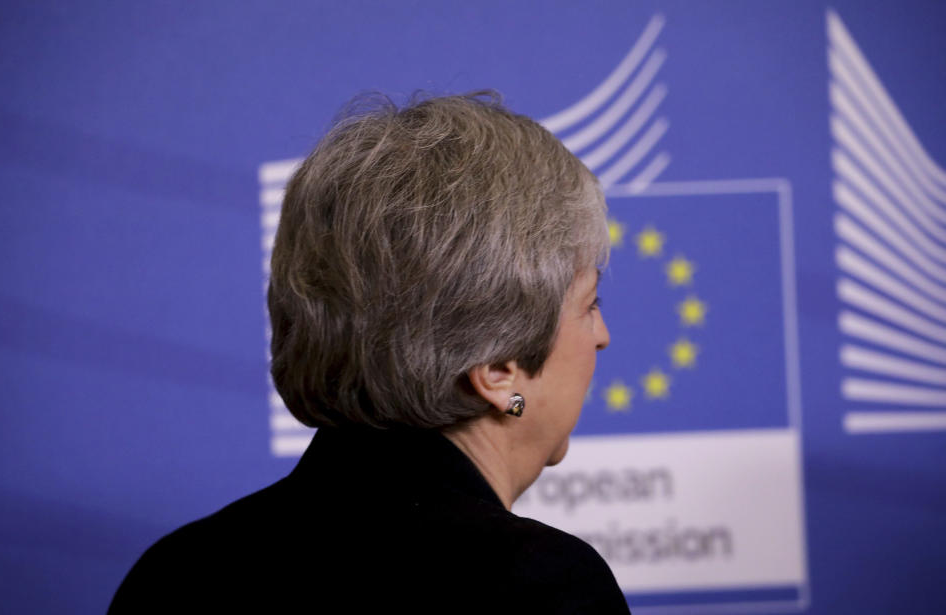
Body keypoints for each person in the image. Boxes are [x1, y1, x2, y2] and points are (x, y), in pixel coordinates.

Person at [109, 92, 630, 613]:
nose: (602, 334)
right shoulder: (541, 587)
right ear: (498, 370)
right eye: (589, 305)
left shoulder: (172, 574)